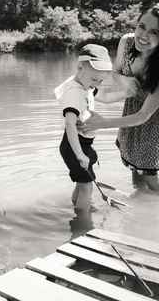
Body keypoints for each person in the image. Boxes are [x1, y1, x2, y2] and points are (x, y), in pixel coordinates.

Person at [79, 3, 159, 194]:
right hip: (133, 107)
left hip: (156, 116)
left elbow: (143, 116)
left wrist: (102, 123)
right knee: (135, 167)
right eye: (141, 26)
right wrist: (123, 80)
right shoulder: (126, 42)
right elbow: (114, 71)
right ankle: (140, 208)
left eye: (153, 32)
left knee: (152, 178)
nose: (143, 35)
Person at [54, 44, 133, 212]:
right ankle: (83, 222)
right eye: (94, 80)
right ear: (80, 67)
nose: (96, 84)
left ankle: (78, 207)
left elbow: (104, 97)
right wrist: (80, 154)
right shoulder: (74, 92)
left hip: (82, 144)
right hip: (74, 146)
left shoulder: (85, 84)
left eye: (101, 81)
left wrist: (126, 94)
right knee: (87, 188)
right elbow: (69, 124)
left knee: (82, 185)